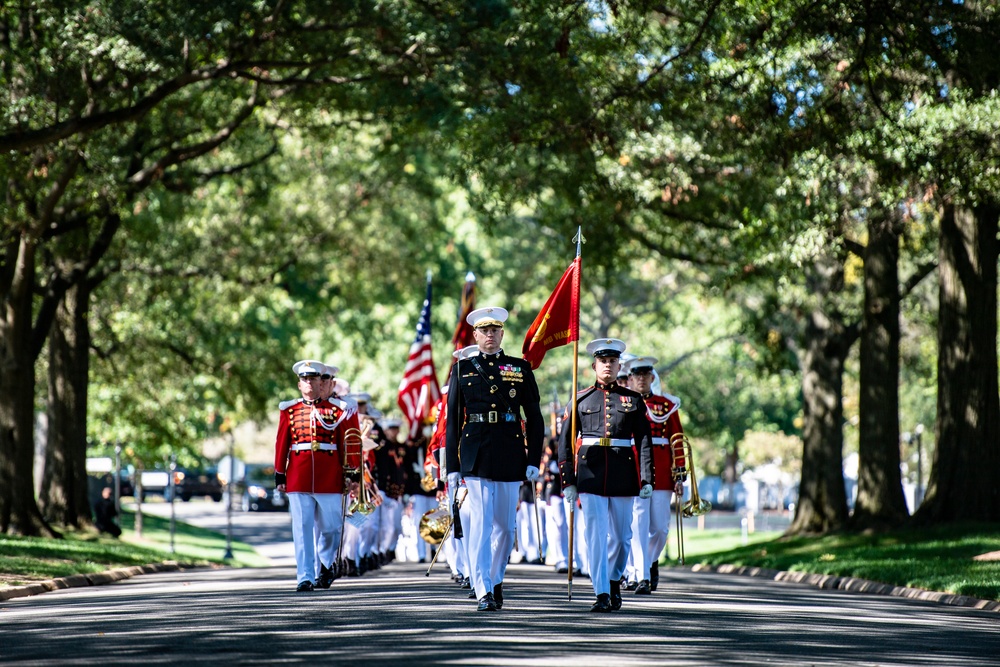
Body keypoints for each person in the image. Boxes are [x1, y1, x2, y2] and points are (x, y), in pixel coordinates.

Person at [445, 306, 545, 611]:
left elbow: (536, 418)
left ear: (502, 334)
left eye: (495, 331)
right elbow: (451, 421)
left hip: (510, 450)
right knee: (482, 523)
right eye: (484, 331)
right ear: (475, 335)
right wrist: (452, 466)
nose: (490, 336)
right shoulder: (462, 369)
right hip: (475, 453)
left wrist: (534, 459)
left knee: (505, 527)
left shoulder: (519, 368)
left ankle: (495, 577)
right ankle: (483, 589)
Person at [559, 338, 653, 612]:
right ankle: (601, 591)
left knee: (623, 537)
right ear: (594, 365)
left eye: (612, 361)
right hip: (590, 475)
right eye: (603, 361)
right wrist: (568, 481)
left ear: (619, 365)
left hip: (623, 474)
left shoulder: (633, 400)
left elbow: (644, 441)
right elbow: (565, 442)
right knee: (596, 536)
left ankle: (613, 580)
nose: (608, 366)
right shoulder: (580, 399)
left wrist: (647, 478)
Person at [275, 359, 362, 592]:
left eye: (313, 378)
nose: (310, 383)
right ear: (299, 385)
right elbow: (282, 442)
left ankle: (325, 563)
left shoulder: (336, 410)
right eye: (305, 379)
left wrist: (352, 475)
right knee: (302, 528)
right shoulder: (289, 410)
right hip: (298, 476)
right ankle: (305, 576)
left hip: (329, 477)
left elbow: (350, 442)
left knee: (332, 528)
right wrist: (279, 474)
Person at [624, 356, 685, 594]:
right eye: (636, 375)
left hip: (661, 470)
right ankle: (641, 575)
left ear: (652, 377)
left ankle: (648, 563)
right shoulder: (625, 402)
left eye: (645, 375)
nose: (641, 379)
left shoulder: (666, 405)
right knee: (638, 525)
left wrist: (680, 474)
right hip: (635, 468)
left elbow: (677, 440)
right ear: (631, 378)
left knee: (660, 528)